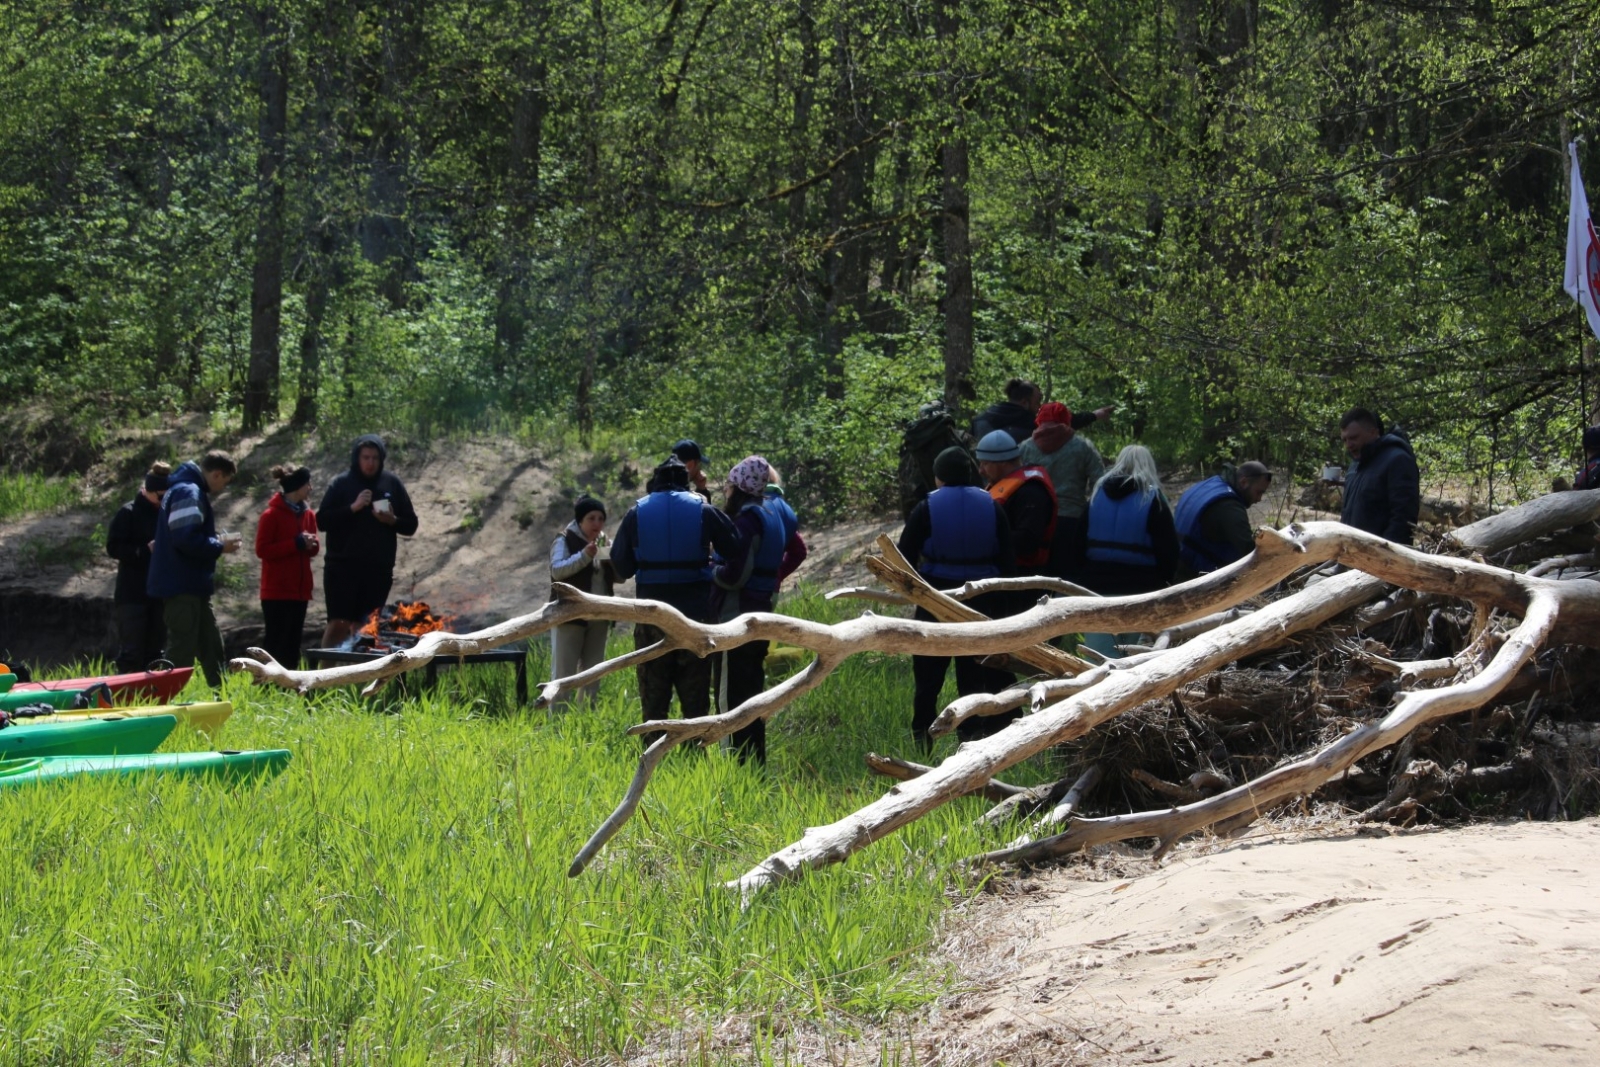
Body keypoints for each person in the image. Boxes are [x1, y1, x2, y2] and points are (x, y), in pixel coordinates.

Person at [609, 455, 738, 743]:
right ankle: (694, 752)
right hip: (695, 617)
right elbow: (734, 548)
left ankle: (651, 752)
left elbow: (622, 566)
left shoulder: (636, 512)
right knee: (695, 698)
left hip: (651, 617)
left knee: (653, 697)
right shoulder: (703, 509)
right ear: (686, 482)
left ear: (655, 481)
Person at [897, 446, 1016, 750]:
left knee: (927, 680)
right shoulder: (992, 505)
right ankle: (972, 739)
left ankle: (922, 740)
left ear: (939, 477)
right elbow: (1007, 559)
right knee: (973, 678)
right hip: (980, 599)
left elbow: (904, 554)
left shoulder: (926, 507)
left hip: (936, 597)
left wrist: (917, 589)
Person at [710, 456, 790, 764]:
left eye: (729, 484)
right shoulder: (771, 513)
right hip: (762, 614)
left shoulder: (745, 521)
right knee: (753, 694)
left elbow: (734, 576)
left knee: (730, 698)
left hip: (737, 618)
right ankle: (755, 761)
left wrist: (711, 571)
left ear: (739, 486)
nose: (726, 490)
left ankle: (732, 765)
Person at [316, 434, 420, 649]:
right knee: (339, 622)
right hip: (342, 567)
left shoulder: (392, 483)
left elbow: (411, 525)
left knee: (365, 626)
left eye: (375, 458)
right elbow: (322, 520)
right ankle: (323, 677)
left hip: (378, 568)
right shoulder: (341, 483)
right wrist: (352, 508)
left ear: (381, 459)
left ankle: (357, 674)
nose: (370, 463)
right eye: (366, 457)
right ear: (357, 458)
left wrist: (392, 520)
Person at [147, 451, 240, 687]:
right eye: (224, 481)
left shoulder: (182, 489)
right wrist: (219, 546)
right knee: (181, 651)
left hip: (191, 586)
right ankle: (160, 705)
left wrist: (214, 542)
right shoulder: (190, 491)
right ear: (217, 474)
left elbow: (183, 535)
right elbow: (185, 539)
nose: (222, 487)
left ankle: (223, 697)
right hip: (182, 585)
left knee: (212, 645)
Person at [1017, 402, 1103, 577]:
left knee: (1036, 576)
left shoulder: (1024, 448)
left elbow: (1014, 480)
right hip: (1071, 519)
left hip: (1035, 520)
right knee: (1068, 578)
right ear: (1066, 420)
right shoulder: (1083, 446)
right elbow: (1100, 481)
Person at [1083, 445, 1179, 597]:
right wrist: (1166, 580)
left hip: (1094, 580)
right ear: (1149, 466)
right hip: (1141, 583)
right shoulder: (1152, 498)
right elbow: (1168, 550)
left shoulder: (1097, 495)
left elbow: (1078, 542)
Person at [548, 495, 615, 710]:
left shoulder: (604, 541)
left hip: (599, 616)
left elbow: (619, 577)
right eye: (591, 518)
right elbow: (557, 570)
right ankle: (557, 726)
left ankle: (585, 721)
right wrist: (585, 555)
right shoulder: (564, 539)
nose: (597, 524)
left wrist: (613, 557)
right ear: (580, 521)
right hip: (569, 615)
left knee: (593, 674)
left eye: (600, 519)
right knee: (563, 675)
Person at [105, 461, 171, 672]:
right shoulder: (128, 513)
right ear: (147, 491)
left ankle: (154, 698)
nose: (163, 501)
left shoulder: (166, 514)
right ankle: (124, 697)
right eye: (160, 496)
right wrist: (143, 551)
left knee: (155, 652)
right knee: (131, 653)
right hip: (132, 593)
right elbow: (113, 547)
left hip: (158, 593)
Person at [255, 464, 320, 671]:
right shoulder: (271, 515)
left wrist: (311, 544)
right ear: (298, 487)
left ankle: (288, 686)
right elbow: (262, 550)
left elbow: (313, 547)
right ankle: (267, 685)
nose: (310, 488)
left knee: (293, 643)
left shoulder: (308, 514)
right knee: (275, 642)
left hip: (300, 591)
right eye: (307, 484)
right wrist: (295, 544)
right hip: (276, 591)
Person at [1173, 461, 1273, 578]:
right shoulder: (1229, 508)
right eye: (1259, 492)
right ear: (1244, 482)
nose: (1259, 499)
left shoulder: (1209, 485)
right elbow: (1251, 552)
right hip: (1195, 576)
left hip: (1175, 563)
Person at [1337, 407, 1420, 545]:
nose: (1349, 445)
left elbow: (1404, 518)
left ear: (1373, 432)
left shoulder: (1398, 460)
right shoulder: (1355, 466)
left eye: (1353, 438)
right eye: (1344, 440)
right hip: (1350, 556)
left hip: (1380, 559)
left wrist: (1384, 556)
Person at [972, 378, 1112, 444]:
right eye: (1038, 401)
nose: (1040, 406)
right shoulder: (1030, 420)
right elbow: (1067, 421)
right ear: (1024, 402)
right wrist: (1095, 415)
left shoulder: (983, 418)